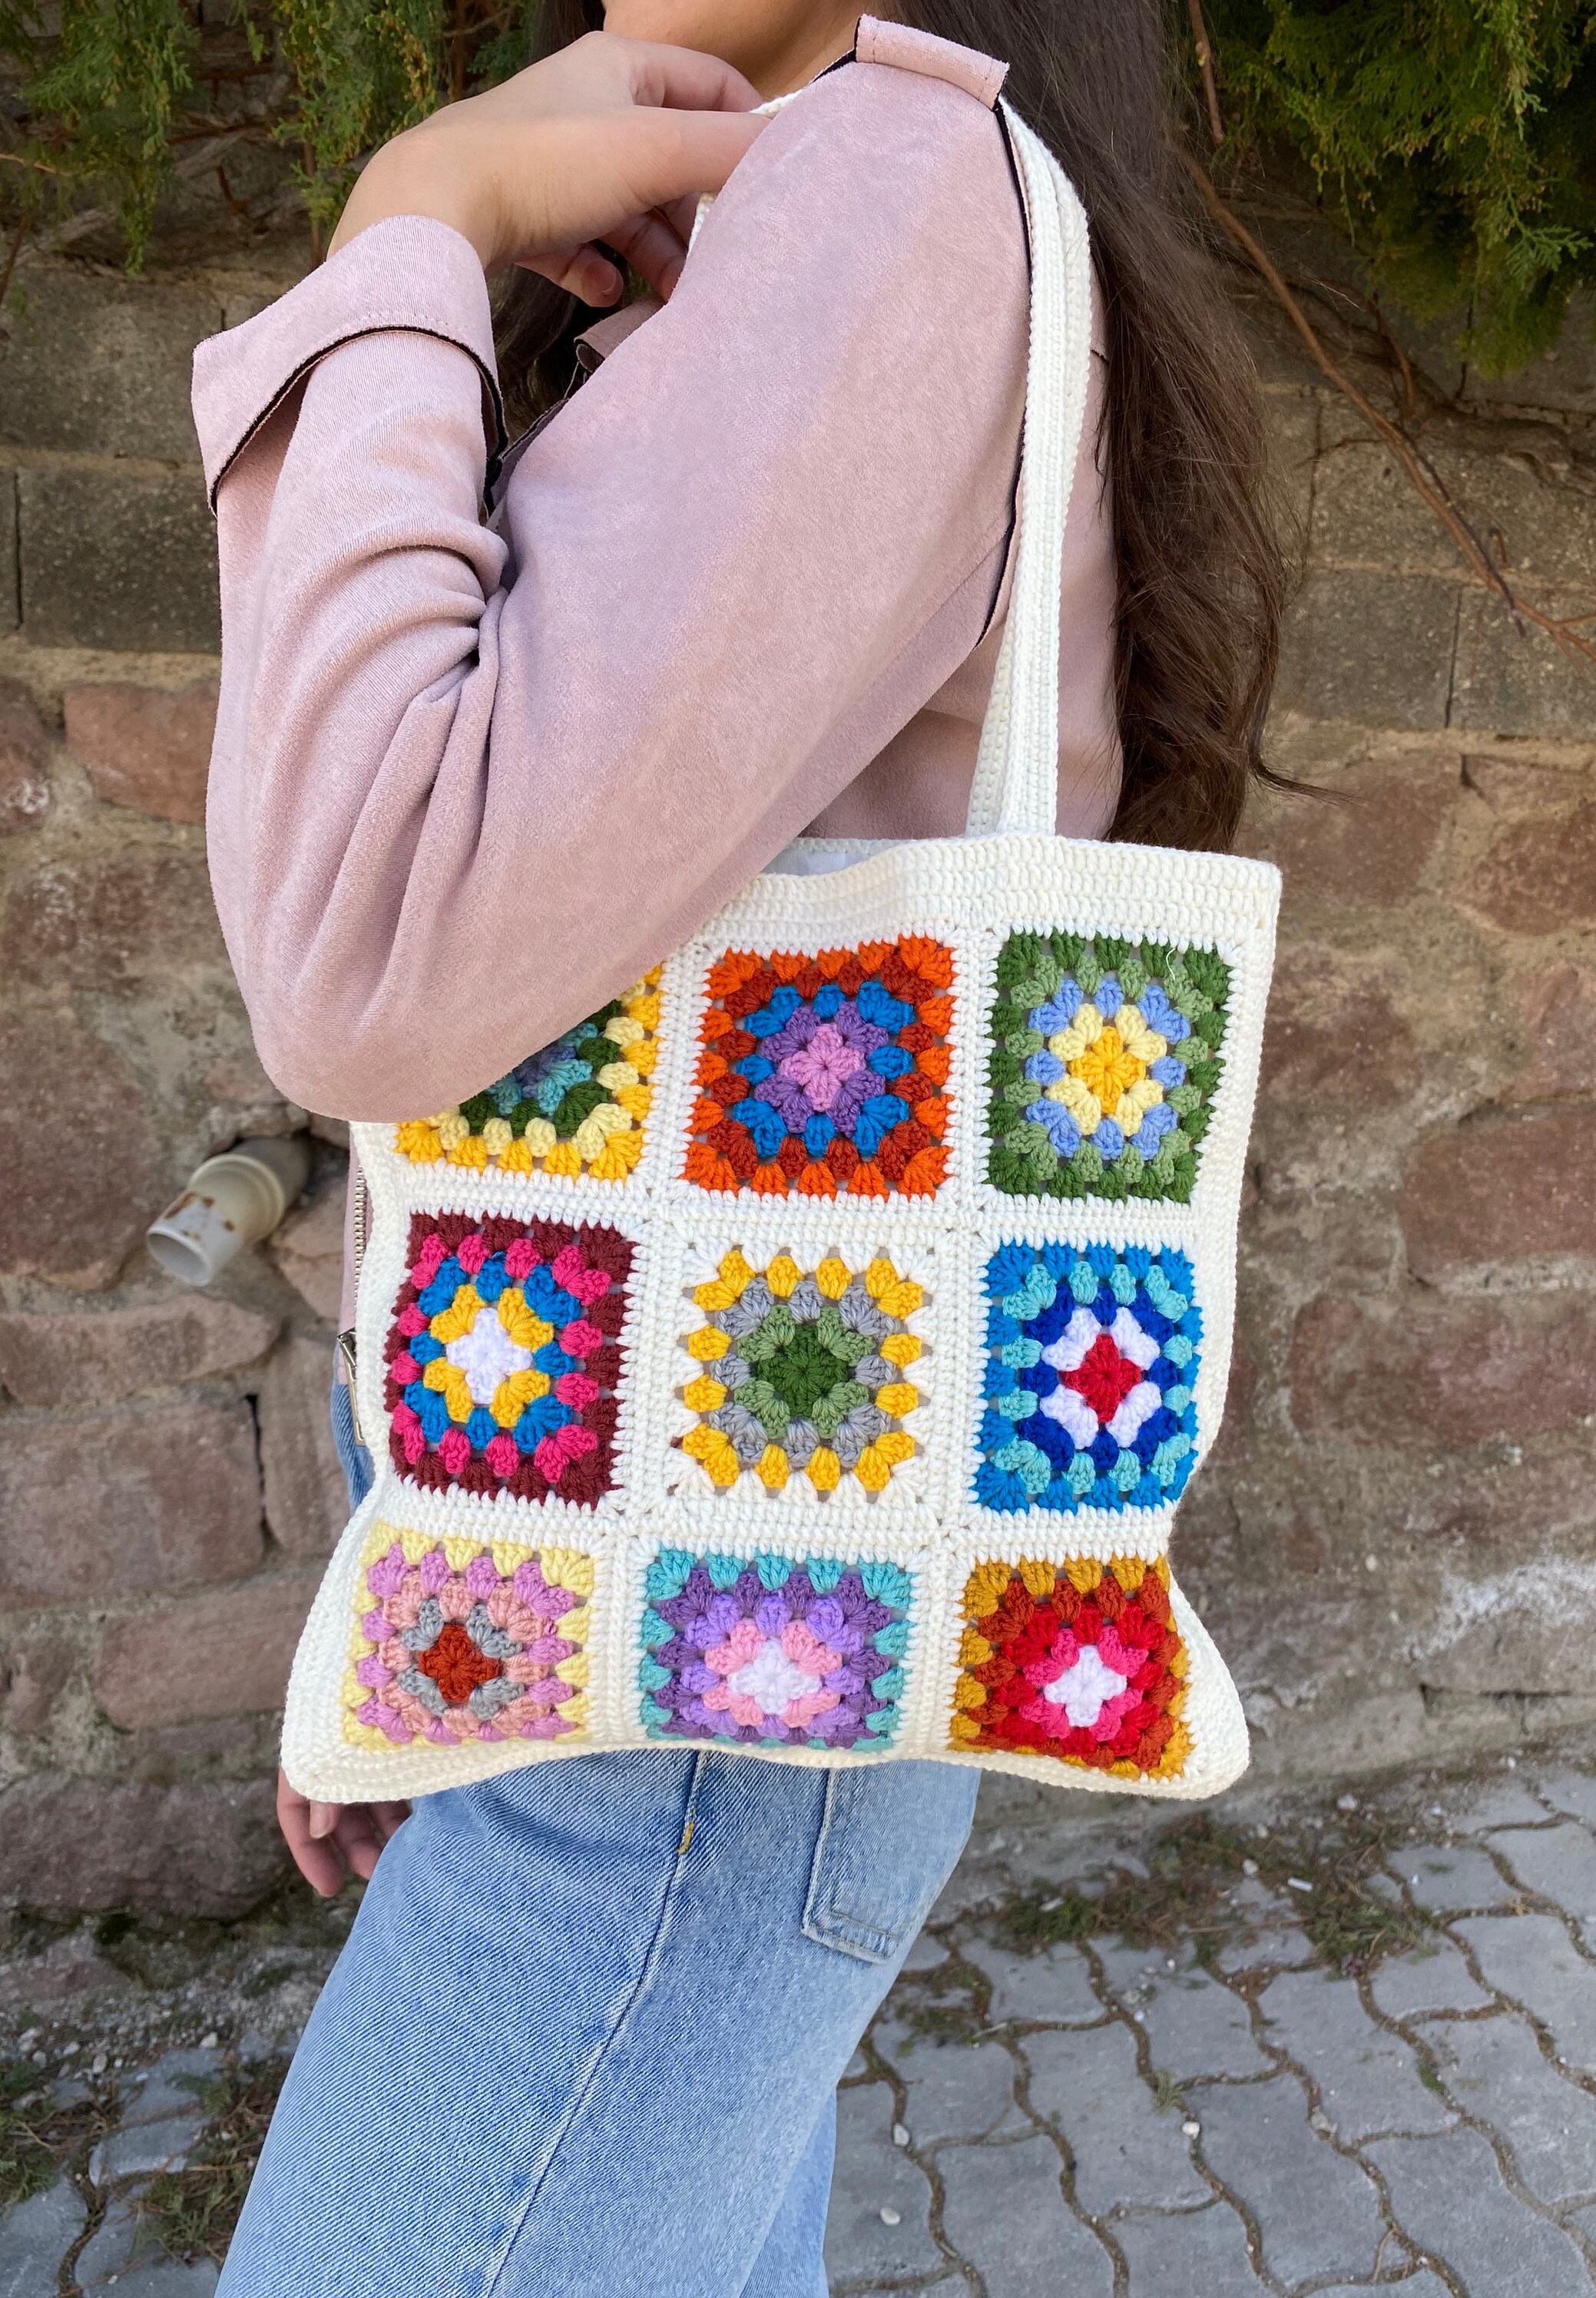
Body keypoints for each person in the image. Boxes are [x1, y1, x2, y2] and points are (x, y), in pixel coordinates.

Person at [197, 3, 1283, 2288]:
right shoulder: (809, 210)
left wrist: (408, 223)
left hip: (705, 1690)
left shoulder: (886, 194)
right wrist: (420, 1568)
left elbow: (373, 955)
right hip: (633, 1583)